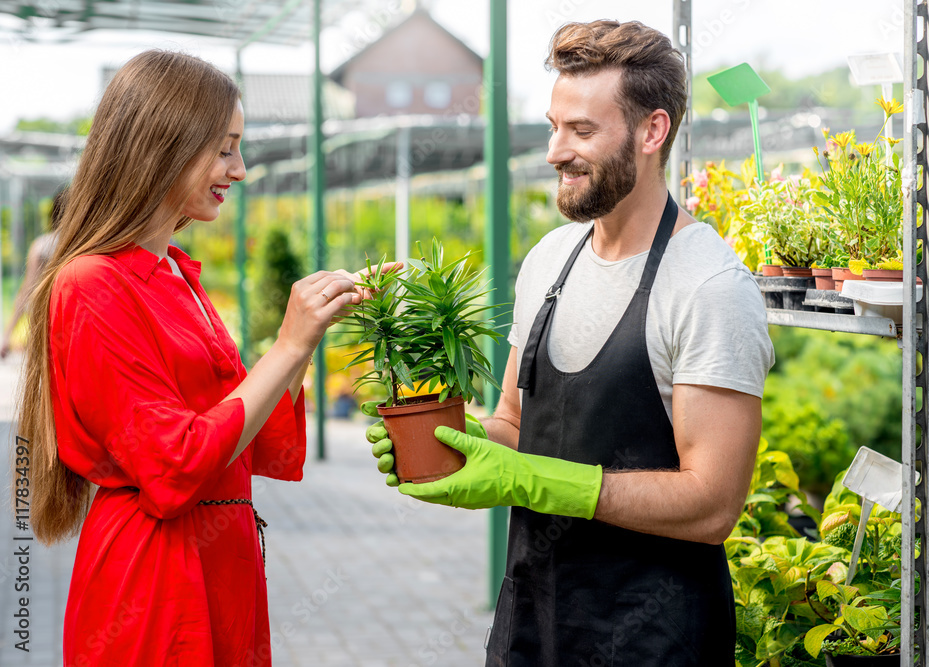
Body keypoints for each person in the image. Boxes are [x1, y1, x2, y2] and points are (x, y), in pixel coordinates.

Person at [367, 20, 774, 665]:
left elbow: (712, 504)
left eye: (582, 131)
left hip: (654, 640)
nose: (556, 150)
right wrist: (455, 442)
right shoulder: (550, 260)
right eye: (555, 126)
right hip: (533, 625)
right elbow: (514, 424)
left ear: (652, 131)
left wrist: (537, 481)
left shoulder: (707, 286)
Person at [14, 50, 382, 666]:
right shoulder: (90, 283)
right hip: (156, 578)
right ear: (161, 145)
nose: (239, 169)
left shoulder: (175, 271)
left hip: (220, 557)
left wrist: (306, 337)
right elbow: (173, 461)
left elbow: (253, 438)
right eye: (225, 148)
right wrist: (287, 343)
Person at [0, 186, 66, 359]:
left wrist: (6, 335)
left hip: (45, 319)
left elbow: (27, 290)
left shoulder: (43, 245)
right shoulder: (82, 245)